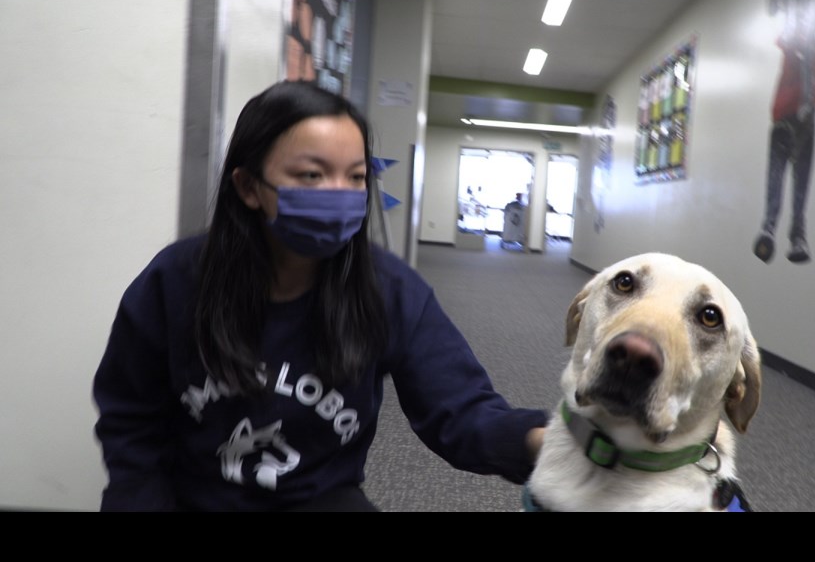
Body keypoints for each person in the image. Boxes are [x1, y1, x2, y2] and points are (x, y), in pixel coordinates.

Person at [92, 80, 547, 511]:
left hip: (319, 498)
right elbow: (130, 419)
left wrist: (542, 441)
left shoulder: (389, 290)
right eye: (312, 175)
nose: (340, 194)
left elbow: (460, 411)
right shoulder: (175, 281)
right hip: (191, 497)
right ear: (249, 187)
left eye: (355, 177)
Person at [753, 0, 815, 264]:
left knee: (783, 175)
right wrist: (806, 105)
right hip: (797, 116)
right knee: (791, 177)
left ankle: (777, 229)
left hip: (789, 116)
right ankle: (789, 233)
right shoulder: (800, 45)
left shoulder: (798, 45)